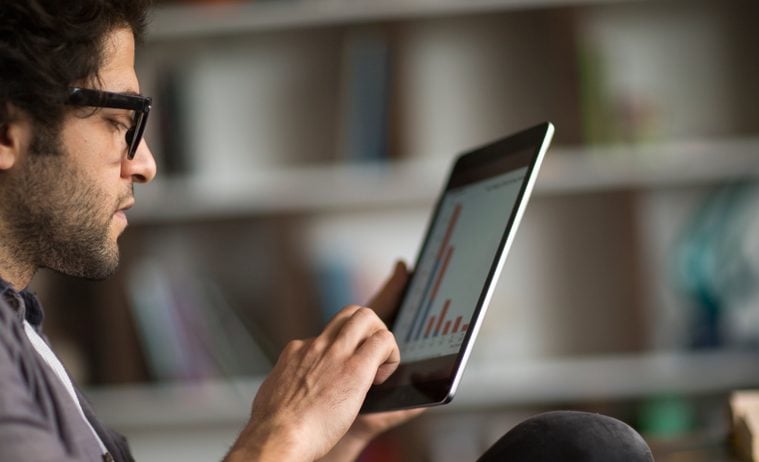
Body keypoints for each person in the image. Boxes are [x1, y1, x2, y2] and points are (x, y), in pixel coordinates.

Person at [0, 1, 654, 461]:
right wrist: (278, 434)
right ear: (6, 130)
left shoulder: (20, 328)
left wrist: (338, 432)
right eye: (119, 123)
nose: (144, 163)